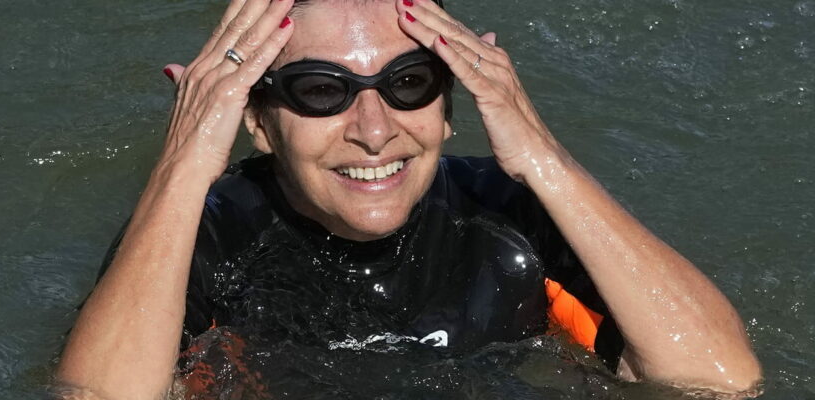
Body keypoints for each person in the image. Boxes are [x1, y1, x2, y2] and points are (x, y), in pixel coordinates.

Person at [55, 0, 762, 398]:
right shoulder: (203, 234)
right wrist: (182, 169)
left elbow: (721, 381)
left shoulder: (506, 218)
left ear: (453, 104)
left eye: (409, 83)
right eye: (323, 92)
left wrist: (544, 159)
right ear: (260, 121)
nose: (374, 130)